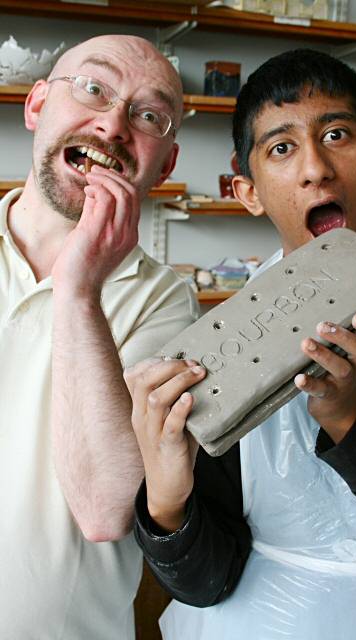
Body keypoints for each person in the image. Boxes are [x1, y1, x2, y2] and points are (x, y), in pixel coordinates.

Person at [128, 49, 356, 639]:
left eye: (336, 134)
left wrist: (349, 419)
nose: (315, 168)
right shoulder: (219, 361)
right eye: (282, 148)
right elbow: (204, 583)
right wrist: (166, 501)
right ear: (248, 190)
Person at [0, 34, 198, 639]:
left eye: (147, 115)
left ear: (163, 165)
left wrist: (80, 287)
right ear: (36, 106)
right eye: (93, 87)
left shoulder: (167, 302)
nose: (112, 125)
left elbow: (106, 509)